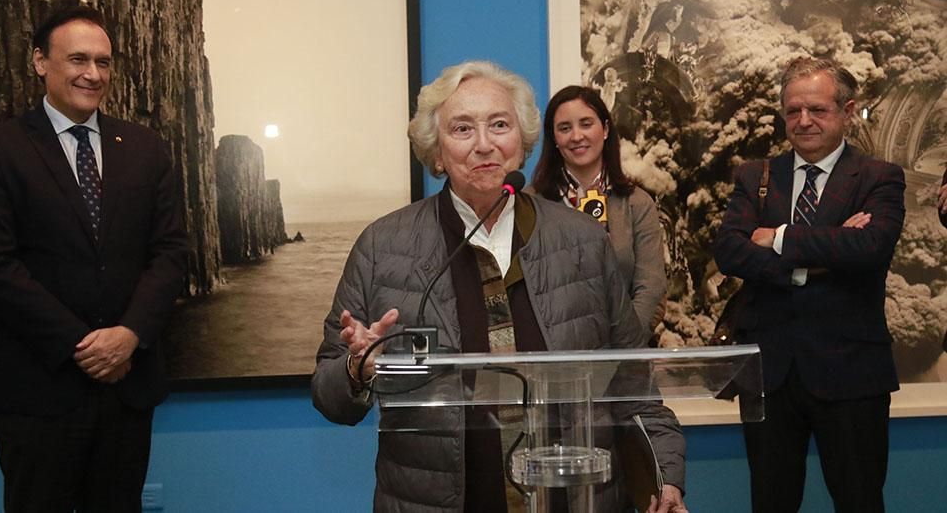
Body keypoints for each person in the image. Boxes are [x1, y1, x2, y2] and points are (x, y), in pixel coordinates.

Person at [312, 60, 686, 512]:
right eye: (463, 129)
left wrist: (665, 476)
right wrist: (359, 368)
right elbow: (328, 394)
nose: (484, 145)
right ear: (436, 151)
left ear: (522, 141)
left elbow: (634, 384)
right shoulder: (381, 247)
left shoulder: (583, 242)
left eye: (499, 125)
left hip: (574, 500)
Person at [0, 6, 189, 513]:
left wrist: (129, 335)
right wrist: (82, 346)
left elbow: (171, 251)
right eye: (79, 59)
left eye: (104, 62)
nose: (93, 74)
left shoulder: (145, 148)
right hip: (36, 389)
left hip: (126, 387)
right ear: (40, 62)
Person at [713, 56, 905, 513]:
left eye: (817, 109)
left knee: (860, 501)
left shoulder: (880, 178)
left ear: (847, 109)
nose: (803, 121)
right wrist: (813, 259)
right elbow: (730, 251)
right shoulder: (755, 176)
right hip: (770, 375)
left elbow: (870, 248)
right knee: (771, 504)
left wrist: (776, 237)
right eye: (792, 110)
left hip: (853, 372)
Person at [531, 85, 667, 337]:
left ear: (604, 130)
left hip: (626, 356)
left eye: (586, 124)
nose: (576, 136)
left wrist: (620, 350)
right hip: (554, 358)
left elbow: (651, 287)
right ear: (554, 139)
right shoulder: (530, 203)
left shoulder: (636, 203)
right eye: (564, 128)